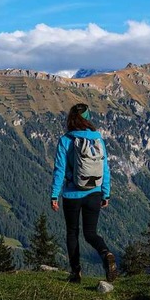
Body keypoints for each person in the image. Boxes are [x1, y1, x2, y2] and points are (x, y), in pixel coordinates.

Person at [50, 103, 117, 283]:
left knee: (72, 233)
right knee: (91, 233)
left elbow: (59, 170)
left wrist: (54, 195)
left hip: (72, 194)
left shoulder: (65, 140)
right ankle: (106, 253)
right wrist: (106, 193)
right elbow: (105, 168)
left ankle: (76, 273)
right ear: (87, 118)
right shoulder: (97, 139)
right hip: (94, 192)